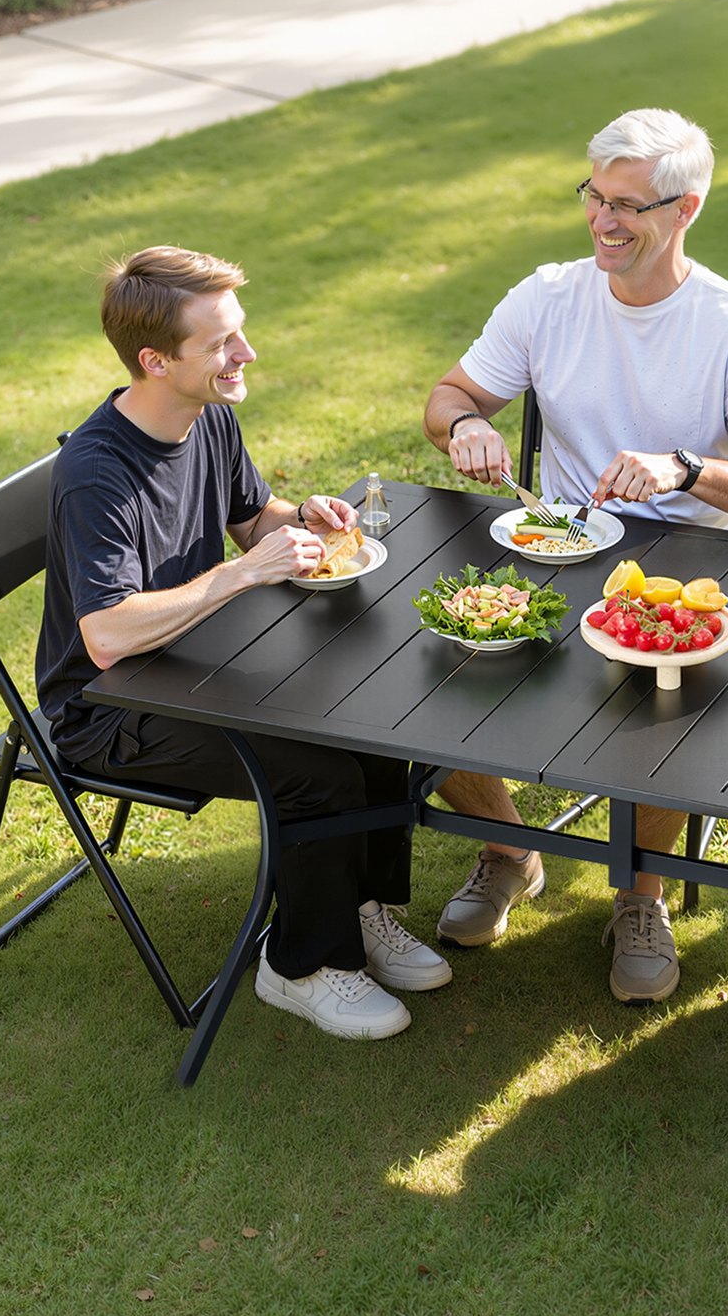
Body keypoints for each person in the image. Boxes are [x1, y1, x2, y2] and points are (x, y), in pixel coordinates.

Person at [422, 107, 728, 1003]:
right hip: (552, 548)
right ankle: (510, 850)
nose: (604, 220)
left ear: (687, 210)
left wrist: (684, 467)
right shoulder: (547, 296)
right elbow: (447, 397)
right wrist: (469, 423)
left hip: (684, 564)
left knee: (663, 706)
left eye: (629, 205)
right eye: (594, 197)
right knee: (427, 676)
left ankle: (642, 894)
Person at [36, 245, 453, 1042]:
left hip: (196, 663)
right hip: (107, 709)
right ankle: (298, 966)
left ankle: (357, 914)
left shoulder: (208, 415)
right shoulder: (98, 472)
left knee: (370, 723)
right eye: (222, 343)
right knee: (314, 772)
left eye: (241, 332)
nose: (246, 354)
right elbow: (107, 633)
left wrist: (301, 521)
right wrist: (242, 576)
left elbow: (251, 516)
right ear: (156, 362)